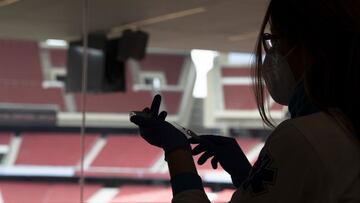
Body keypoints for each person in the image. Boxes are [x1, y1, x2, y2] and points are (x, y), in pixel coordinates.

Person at [130, 0, 360, 202]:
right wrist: (247, 178)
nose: (274, 53)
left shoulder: (304, 137)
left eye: (277, 40)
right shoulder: (344, 127)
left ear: (309, 47)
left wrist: (176, 149)